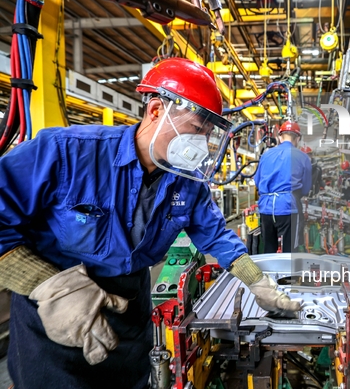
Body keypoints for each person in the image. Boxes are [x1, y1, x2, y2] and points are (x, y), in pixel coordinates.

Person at [0, 57, 300, 389]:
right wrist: (48, 286)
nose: (200, 142)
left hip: (129, 313)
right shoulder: (67, 152)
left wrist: (257, 282)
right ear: (156, 110)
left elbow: (215, 235)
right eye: (196, 128)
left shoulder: (186, 182)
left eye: (207, 133)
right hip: (55, 315)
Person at [254, 121, 312, 253]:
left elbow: (257, 182)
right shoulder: (303, 157)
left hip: (266, 208)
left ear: (280, 137)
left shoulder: (266, 155)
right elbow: (306, 188)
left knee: (268, 249)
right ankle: (288, 274)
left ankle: (270, 273)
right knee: (290, 252)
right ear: (297, 138)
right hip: (288, 208)